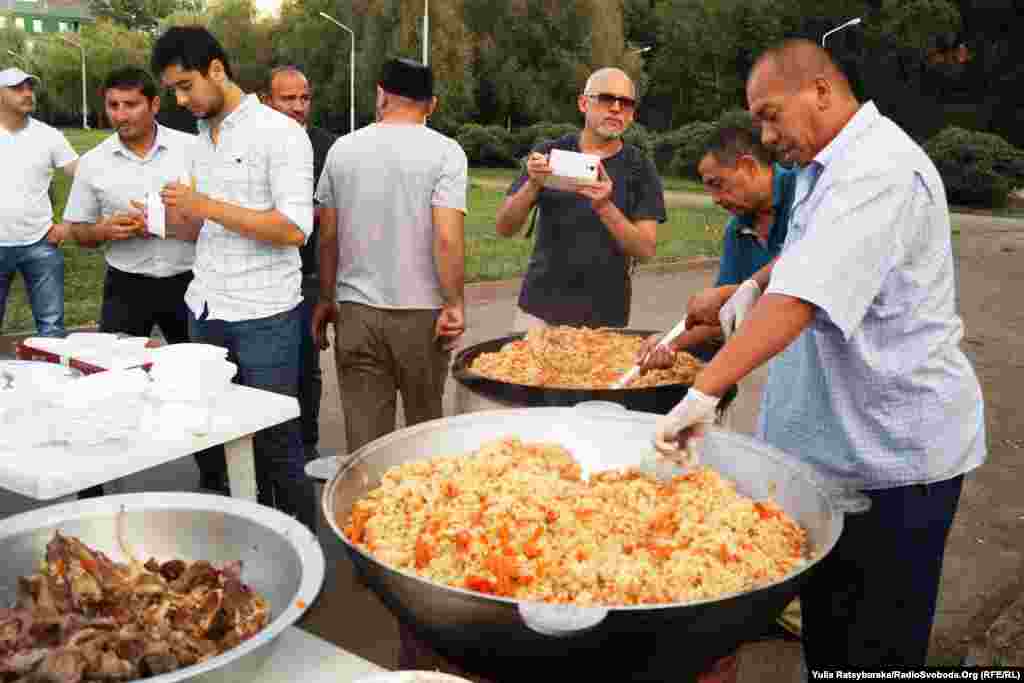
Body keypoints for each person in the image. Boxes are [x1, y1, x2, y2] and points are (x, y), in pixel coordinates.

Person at [659, 39, 986, 668]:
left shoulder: (880, 170)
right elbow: (805, 256)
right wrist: (749, 286)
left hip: (894, 464)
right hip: (837, 459)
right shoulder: (826, 168)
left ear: (821, 91)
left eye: (770, 114)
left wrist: (703, 393)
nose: (765, 134)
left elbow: (801, 299)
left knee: (876, 654)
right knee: (831, 640)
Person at [311, 57, 466, 671]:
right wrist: (455, 300)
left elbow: (327, 236)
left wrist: (326, 298)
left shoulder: (343, 151)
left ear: (380, 95)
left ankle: (366, 559)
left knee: (365, 440)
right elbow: (447, 237)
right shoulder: (444, 153)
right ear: (430, 103)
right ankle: (422, 562)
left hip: (355, 309)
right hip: (420, 315)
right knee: (425, 433)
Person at [151, 26, 317, 530]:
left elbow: (293, 229)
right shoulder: (199, 140)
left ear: (217, 70)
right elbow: (201, 228)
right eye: (173, 91)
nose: (180, 100)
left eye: (185, 86)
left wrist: (205, 206)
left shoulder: (280, 134)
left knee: (275, 438)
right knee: (223, 435)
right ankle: (252, 541)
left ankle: (302, 548)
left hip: (264, 313)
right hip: (206, 306)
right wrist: (169, 216)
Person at [65, 66, 201, 499]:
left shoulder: (192, 150)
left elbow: (215, 217)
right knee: (109, 388)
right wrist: (106, 230)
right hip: (127, 287)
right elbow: (77, 232)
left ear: (154, 104)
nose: (120, 115)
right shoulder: (94, 163)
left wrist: (173, 220)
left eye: (131, 105)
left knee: (199, 385)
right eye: (112, 106)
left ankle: (217, 480)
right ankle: (94, 494)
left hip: (189, 284)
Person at [637, 124, 796, 434]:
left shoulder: (805, 195)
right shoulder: (737, 230)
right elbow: (722, 320)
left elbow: (810, 264)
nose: (715, 199)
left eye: (718, 184)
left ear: (749, 166)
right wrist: (671, 343)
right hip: (789, 375)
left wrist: (729, 292)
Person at [495, 67, 665, 330]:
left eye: (627, 103)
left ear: (632, 114)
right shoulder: (550, 152)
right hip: (539, 312)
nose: (617, 109)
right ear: (583, 103)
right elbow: (505, 227)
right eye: (607, 99)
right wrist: (533, 184)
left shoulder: (640, 168)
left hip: (605, 320)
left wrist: (605, 207)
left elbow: (645, 250)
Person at [261, 64, 337, 464]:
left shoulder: (330, 147)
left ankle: (306, 446)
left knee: (307, 368)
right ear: (266, 100)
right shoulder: (253, 145)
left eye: (304, 98)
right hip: (261, 274)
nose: (297, 107)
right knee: (260, 370)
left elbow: (340, 215)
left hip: (309, 276)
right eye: (287, 98)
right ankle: (263, 450)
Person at [0, 66, 78, 338]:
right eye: (17, 88)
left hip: (40, 244)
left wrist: (68, 225)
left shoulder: (48, 136)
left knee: (52, 329)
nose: (27, 93)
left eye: (30, 87)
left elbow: (84, 178)